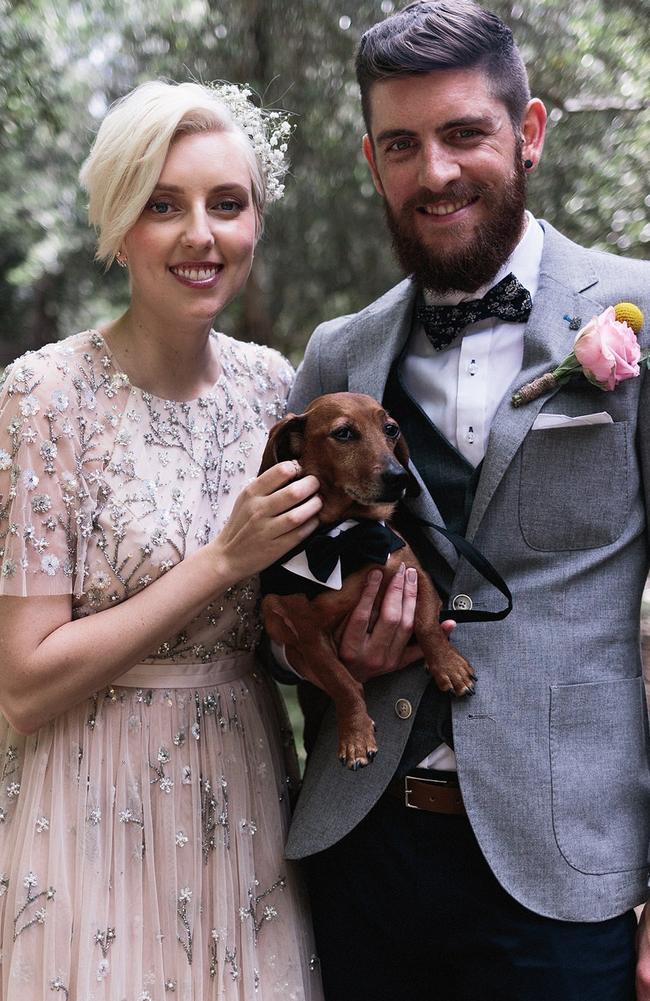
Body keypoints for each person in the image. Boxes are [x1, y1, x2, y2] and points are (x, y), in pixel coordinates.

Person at [284, 3, 650, 1000]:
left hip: (563, 867)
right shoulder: (335, 355)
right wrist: (318, 653)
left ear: (525, 133)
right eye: (401, 144)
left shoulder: (633, 311)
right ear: (371, 162)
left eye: (462, 134)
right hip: (360, 854)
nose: (433, 171)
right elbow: (271, 586)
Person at [0, 80, 326, 1000]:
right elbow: (23, 684)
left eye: (228, 204)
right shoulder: (45, 395)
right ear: (116, 224)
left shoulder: (274, 387)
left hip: (248, 796)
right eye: (163, 205)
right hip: (86, 804)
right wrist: (222, 561)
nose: (201, 235)